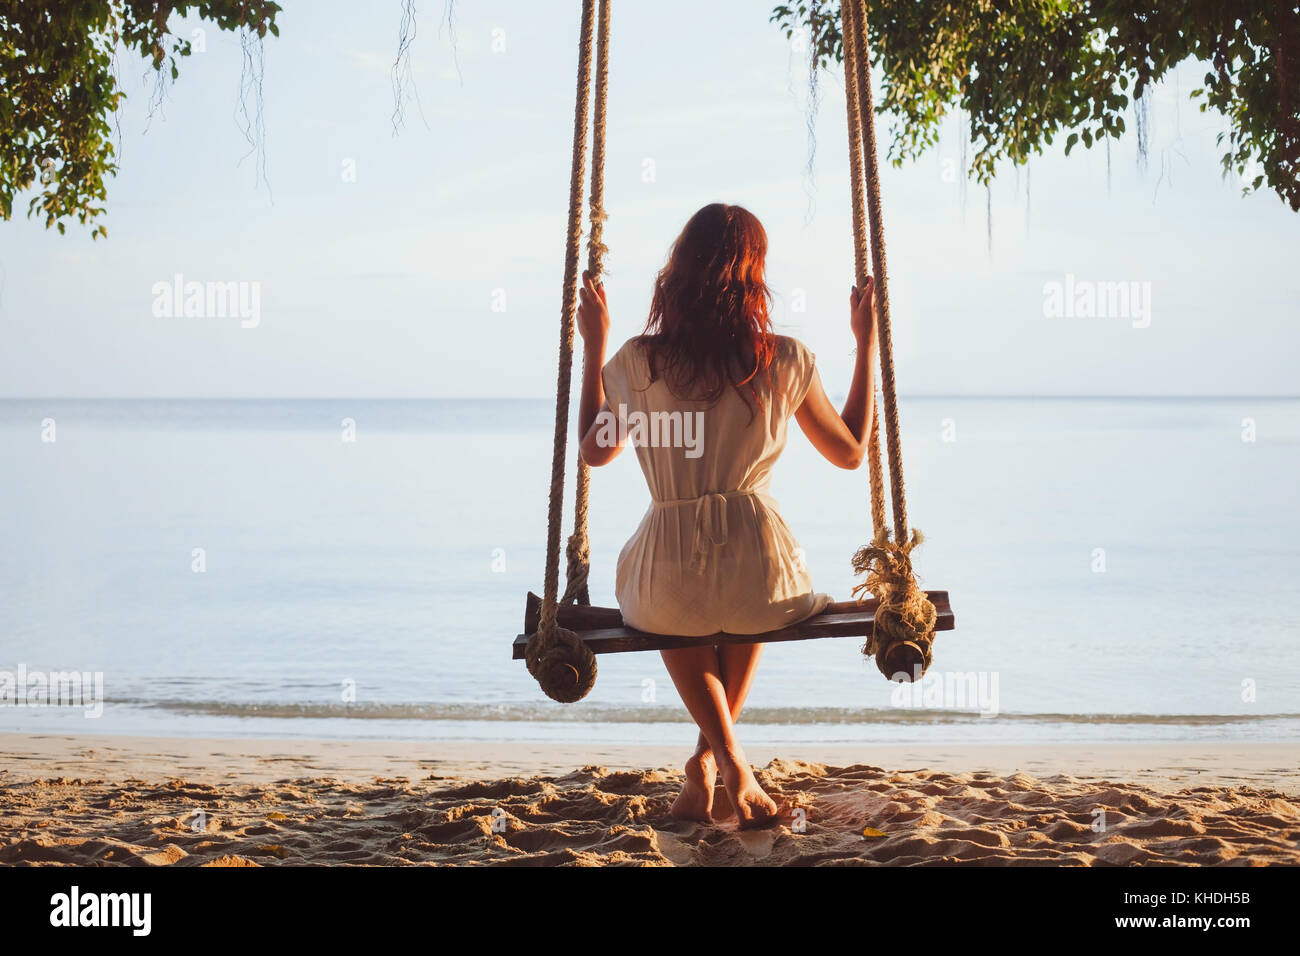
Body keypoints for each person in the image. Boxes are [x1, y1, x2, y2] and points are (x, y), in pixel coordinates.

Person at [575, 202, 878, 828]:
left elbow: (593, 451)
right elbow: (851, 452)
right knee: (741, 607)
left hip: (665, 574)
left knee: (677, 609)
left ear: (677, 273)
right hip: (760, 574)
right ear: (755, 276)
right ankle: (718, 767)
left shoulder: (638, 362)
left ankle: (715, 766)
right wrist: (865, 345)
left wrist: (595, 344)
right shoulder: (785, 358)